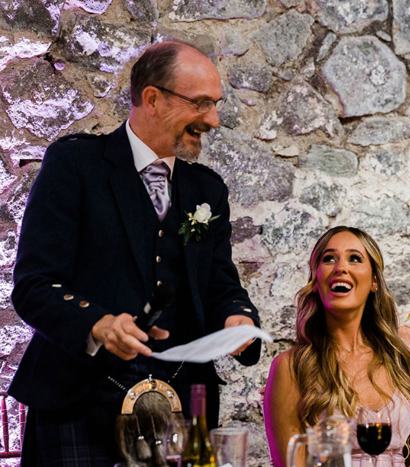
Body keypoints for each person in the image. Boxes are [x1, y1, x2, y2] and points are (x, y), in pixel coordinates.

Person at [9, 40, 262, 466]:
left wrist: (237, 316)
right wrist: (98, 323)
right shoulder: (76, 165)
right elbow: (34, 285)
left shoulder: (207, 190)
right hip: (80, 396)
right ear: (152, 99)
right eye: (201, 104)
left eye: (215, 105)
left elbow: (220, 283)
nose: (213, 120)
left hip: (178, 400)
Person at [264, 226, 410, 467]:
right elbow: (291, 464)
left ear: (374, 281)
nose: (341, 268)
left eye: (355, 258)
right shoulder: (291, 367)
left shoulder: (400, 361)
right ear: (316, 279)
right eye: (329, 258)